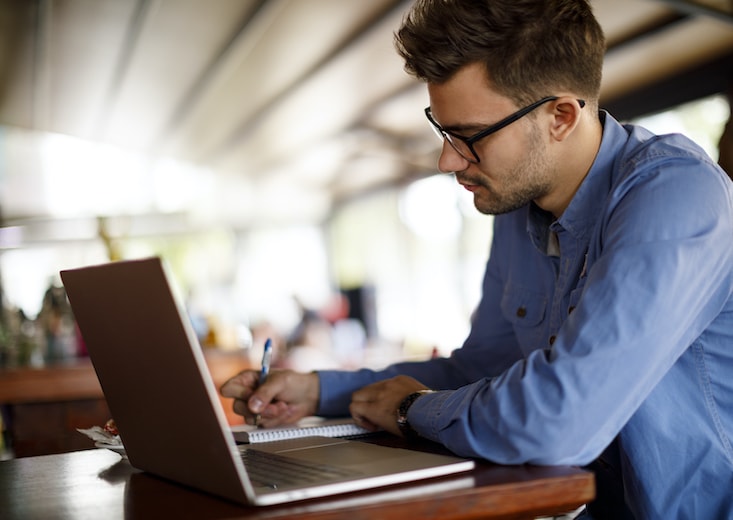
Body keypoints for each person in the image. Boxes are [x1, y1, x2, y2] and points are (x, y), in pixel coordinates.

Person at [221, 1, 733, 518]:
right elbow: (481, 368)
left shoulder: (676, 194)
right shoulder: (518, 205)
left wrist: (408, 409)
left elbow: (557, 421)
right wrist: (321, 391)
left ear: (560, 117)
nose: (448, 160)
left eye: (470, 137)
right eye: (442, 131)